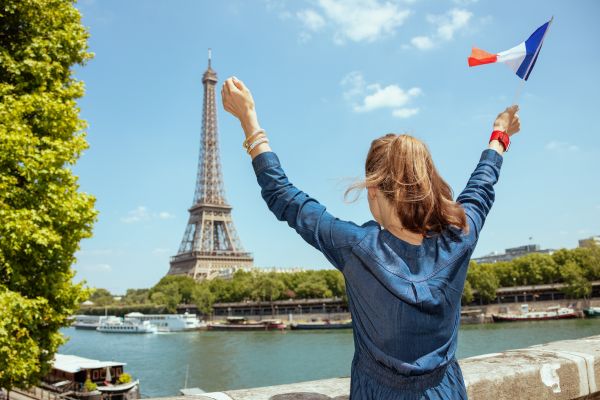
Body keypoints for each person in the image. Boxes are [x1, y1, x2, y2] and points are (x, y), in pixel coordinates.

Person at [221, 76, 520, 399]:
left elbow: (284, 196)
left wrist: (249, 121)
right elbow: (481, 187)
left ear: (374, 189)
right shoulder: (459, 236)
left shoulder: (357, 247)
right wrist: (499, 136)